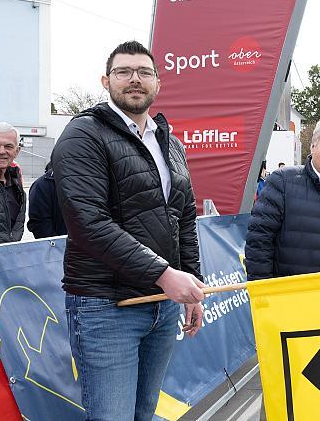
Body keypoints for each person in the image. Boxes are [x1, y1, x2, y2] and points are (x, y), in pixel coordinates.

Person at [52, 41, 206, 421]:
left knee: (144, 413)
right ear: (106, 81)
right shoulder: (83, 135)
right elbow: (89, 223)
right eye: (124, 72)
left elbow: (183, 218)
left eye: (144, 72)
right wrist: (164, 274)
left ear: (158, 83)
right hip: (106, 306)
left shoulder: (170, 143)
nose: (134, 80)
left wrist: (192, 287)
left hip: (161, 305)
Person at [245, 117, 320, 280]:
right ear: (313, 147)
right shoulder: (282, 182)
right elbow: (259, 241)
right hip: (290, 297)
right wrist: (263, 292)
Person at [0, 122, 25, 244]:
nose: (1, 151)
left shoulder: (16, 181)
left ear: (17, 151)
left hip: (8, 258)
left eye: (8, 146)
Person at [27, 161, 67, 238]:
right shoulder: (42, 184)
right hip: (58, 246)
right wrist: (57, 246)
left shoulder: (90, 180)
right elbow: (39, 224)